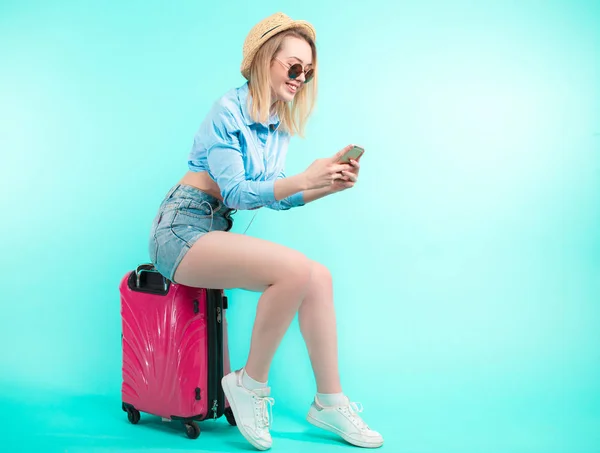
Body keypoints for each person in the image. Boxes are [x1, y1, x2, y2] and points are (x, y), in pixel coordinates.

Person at [148, 12, 383, 451]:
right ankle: (249, 384)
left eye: (307, 72)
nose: (300, 77)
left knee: (318, 278)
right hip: (181, 229)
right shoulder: (228, 110)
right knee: (294, 268)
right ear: (264, 61)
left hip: (213, 229)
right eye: (293, 66)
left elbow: (272, 195)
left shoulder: (277, 123)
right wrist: (305, 178)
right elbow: (236, 191)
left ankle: (329, 401)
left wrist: (325, 185)